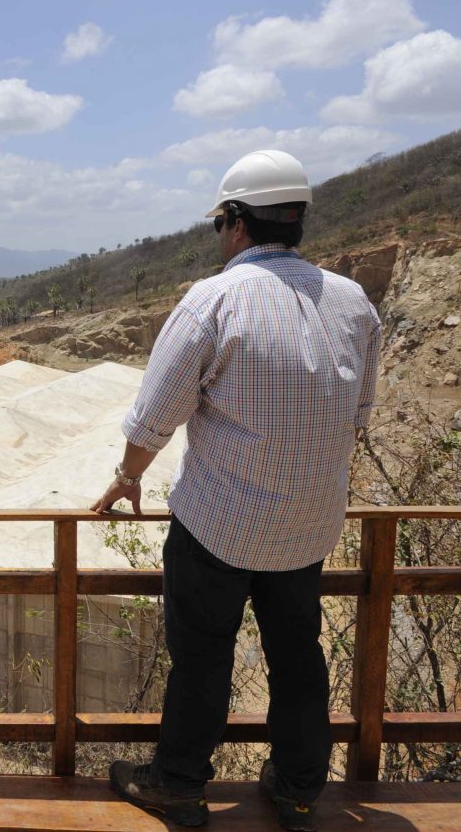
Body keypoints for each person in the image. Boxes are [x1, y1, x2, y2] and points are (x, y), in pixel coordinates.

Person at [93, 150, 381, 831]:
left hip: (218, 527)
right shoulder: (352, 303)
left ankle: (181, 787)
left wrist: (127, 477)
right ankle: (302, 788)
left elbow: (156, 413)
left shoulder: (214, 299)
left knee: (201, 658)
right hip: (308, 528)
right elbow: (361, 413)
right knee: (297, 657)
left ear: (234, 222)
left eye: (220, 224)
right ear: (298, 220)